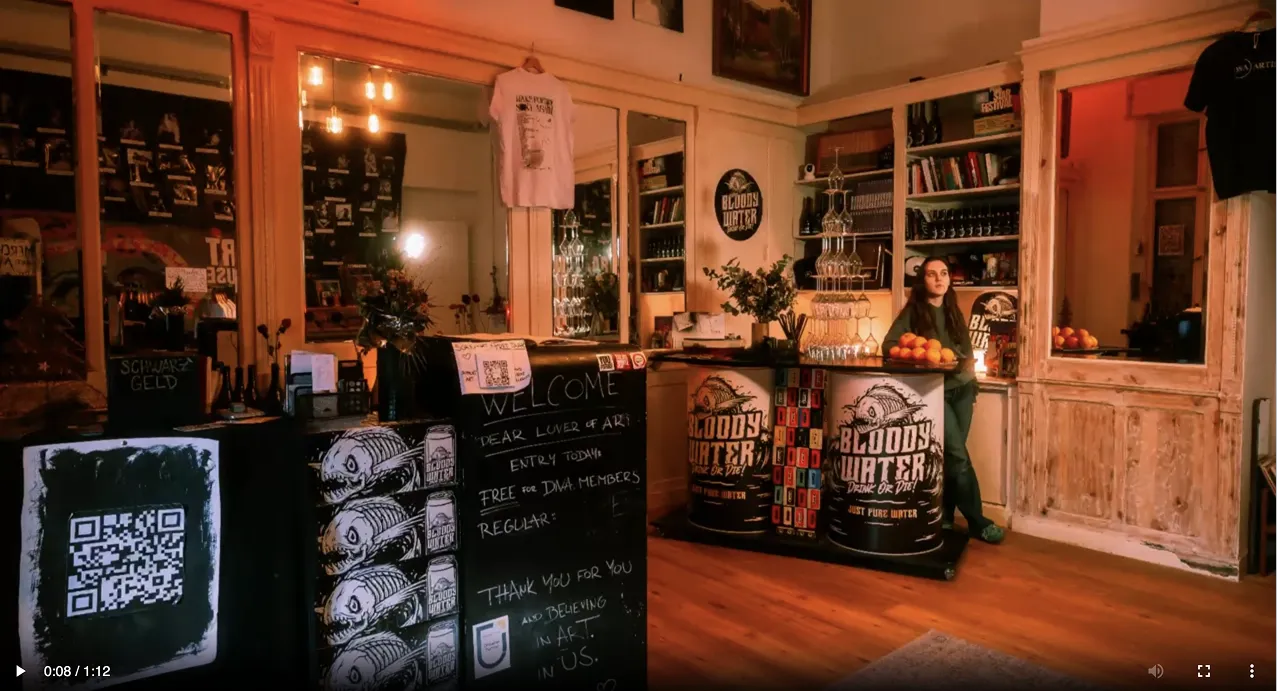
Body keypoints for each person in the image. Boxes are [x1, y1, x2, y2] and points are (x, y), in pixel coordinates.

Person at [885, 256, 1005, 544]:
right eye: (931, 274)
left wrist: (964, 367)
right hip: (935, 391)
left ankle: (947, 518)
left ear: (950, 278)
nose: (939, 279)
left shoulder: (954, 311)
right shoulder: (913, 312)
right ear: (922, 280)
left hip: (963, 390)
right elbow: (889, 345)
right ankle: (978, 521)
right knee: (957, 456)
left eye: (944, 273)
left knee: (952, 457)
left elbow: (965, 352)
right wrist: (920, 352)